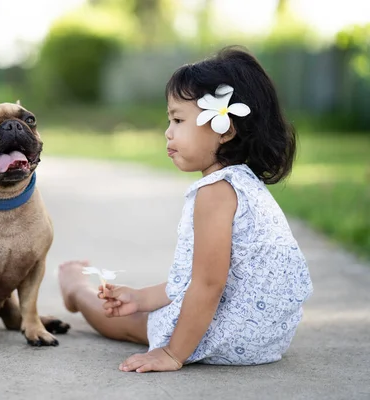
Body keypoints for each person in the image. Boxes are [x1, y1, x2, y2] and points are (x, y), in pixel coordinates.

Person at [57, 46, 313, 373]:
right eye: (169, 120)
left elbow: (208, 285)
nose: (168, 131)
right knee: (137, 308)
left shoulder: (215, 193)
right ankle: (101, 293)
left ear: (226, 129)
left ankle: (76, 288)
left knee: (125, 324)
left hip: (230, 334)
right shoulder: (245, 184)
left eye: (178, 119)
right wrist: (141, 297)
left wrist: (172, 353)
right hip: (268, 338)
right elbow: (199, 278)